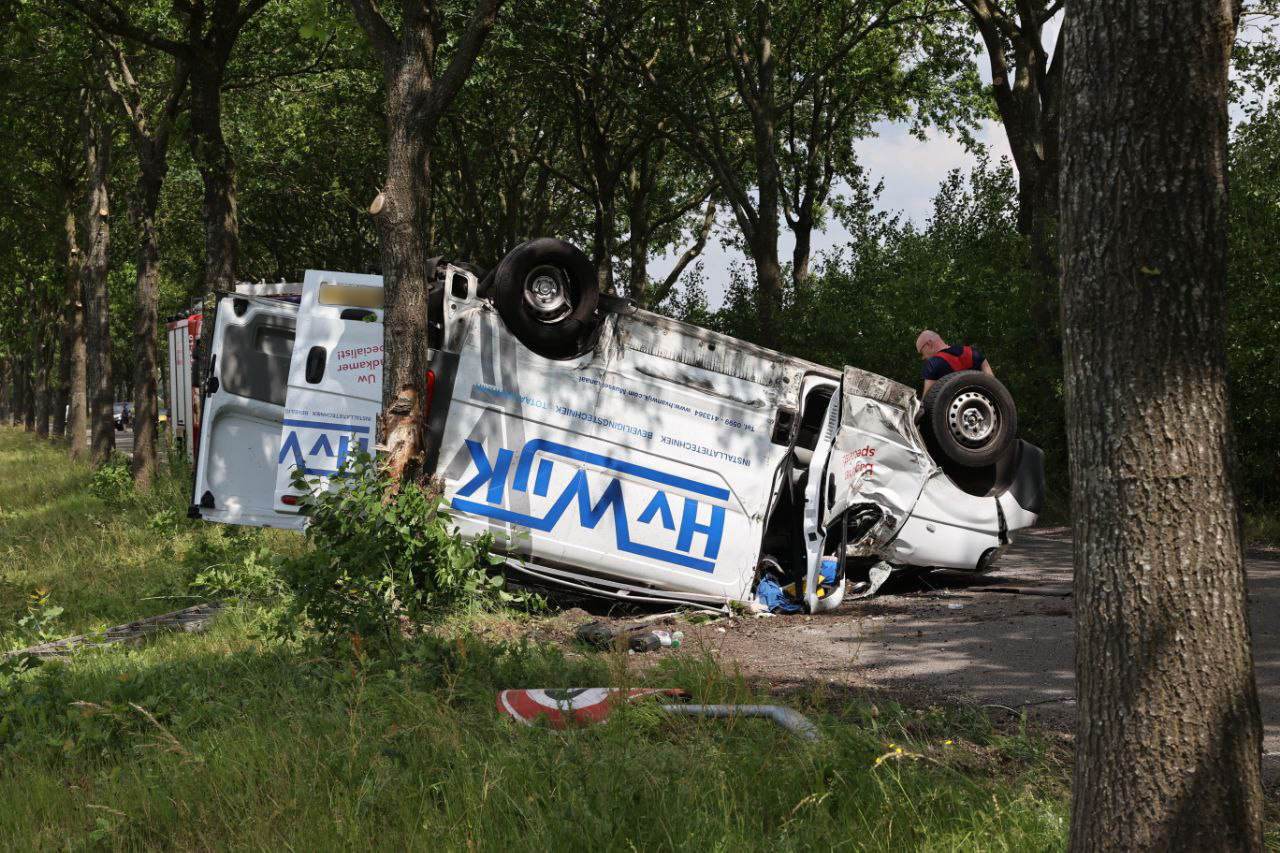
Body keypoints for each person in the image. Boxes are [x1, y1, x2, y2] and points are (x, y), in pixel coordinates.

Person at [915, 330, 994, 395]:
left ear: (929, 344)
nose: (923, 357)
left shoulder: (932, 364)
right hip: (983, 409)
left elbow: (927, 400)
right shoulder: (974, 352)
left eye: (922, 352)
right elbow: (993, 383)